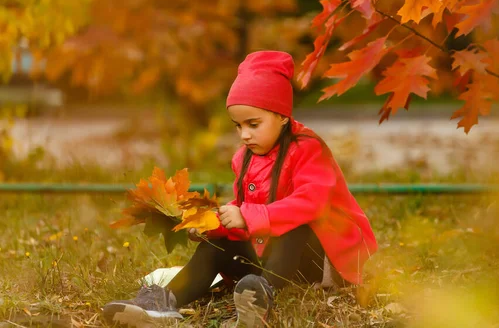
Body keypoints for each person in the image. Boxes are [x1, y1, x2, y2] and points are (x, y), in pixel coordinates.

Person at [102, 51, 378, 327]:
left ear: (282, 116)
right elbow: (245, 207)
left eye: (253, 124)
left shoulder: (307, 148)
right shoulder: (244, 157)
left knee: (295, 224)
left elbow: (312, 202)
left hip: (318, 261)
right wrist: (215, 225)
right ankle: (165, 303)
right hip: (269, 255)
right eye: (238, 126)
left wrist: (247, 215)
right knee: (217, 245)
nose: (245, 134)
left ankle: (261, 299)